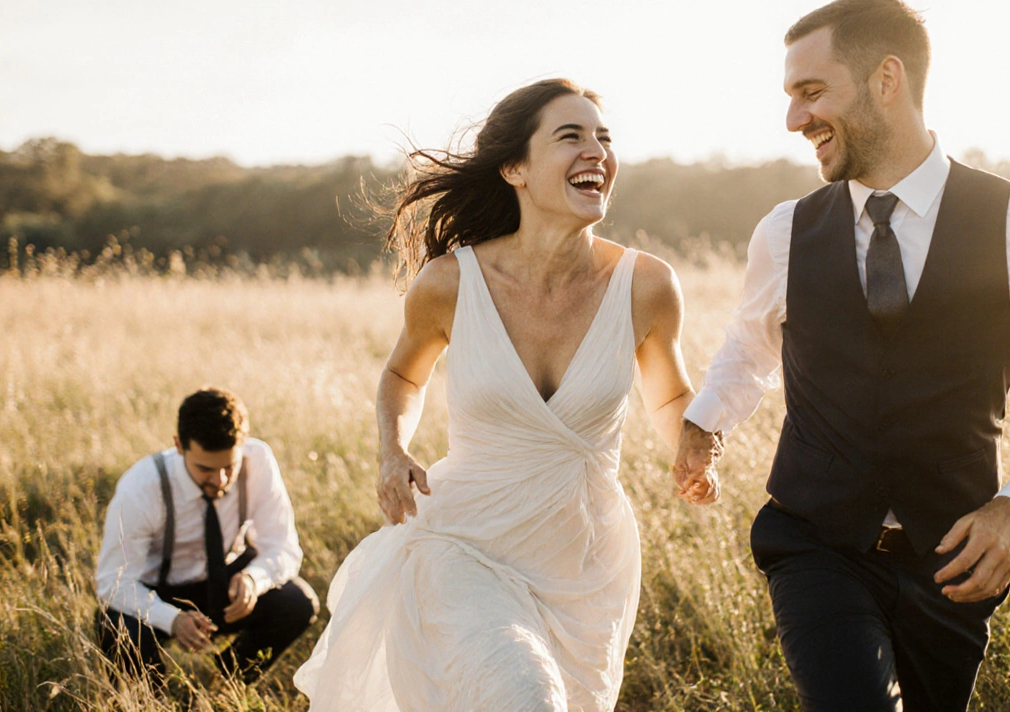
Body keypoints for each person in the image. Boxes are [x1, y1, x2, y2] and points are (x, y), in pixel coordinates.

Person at [672, 0, 1010, 710]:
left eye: (811, 92)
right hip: (812, 543)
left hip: (954, 563)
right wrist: (705, 426)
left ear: (888, 79)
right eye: (790, 97)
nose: (794, 119)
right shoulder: (783, 233)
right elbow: (746, 352)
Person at [293, 78, 717, 711]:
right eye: (570, 136)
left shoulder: (647, 285)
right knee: (526, 697)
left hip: (585, 564)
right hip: (467, 544)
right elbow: (403, 377)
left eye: (604, 137)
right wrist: (392, 450)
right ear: (515, 167)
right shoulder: (449, 283)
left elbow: (667, 397)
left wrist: (693, 441)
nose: (595, 151)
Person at [95, 387, 318, 685]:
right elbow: (113, 581)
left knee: (298, 602)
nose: (220, 480)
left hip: (226, 580)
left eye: (230, 467)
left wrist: (255, 579)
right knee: (115, 626)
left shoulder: (258, 460)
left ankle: (227, 683)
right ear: (178, 445)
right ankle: (152, 697)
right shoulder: (141, 487)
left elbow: (284, 547)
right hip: (159, 589)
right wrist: (170, 618)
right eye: (205, 469)